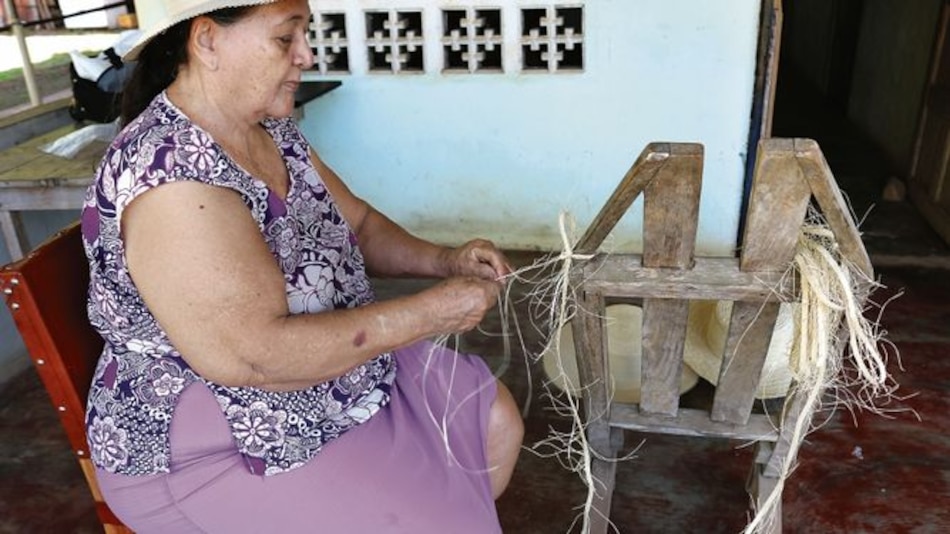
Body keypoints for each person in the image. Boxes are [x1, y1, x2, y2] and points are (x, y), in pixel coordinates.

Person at [80, 1, 524, 531]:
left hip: (327, 375)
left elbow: (356, 224)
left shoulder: (269, 130)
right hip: (218, 440)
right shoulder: (173, 179)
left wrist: (445, 260)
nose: (306, 55)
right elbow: (257, 359)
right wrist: (431, 313)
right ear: (207, 41)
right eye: (285, 38)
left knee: (494, 419)